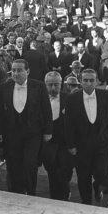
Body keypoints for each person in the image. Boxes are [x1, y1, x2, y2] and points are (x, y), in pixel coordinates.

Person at [0, 59, 52, 195]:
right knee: (13, 164)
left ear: (27, 71)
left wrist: (48, 131)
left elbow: (46, 110)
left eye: (19, 70)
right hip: (11, 134)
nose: (15, 73)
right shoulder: (4, 87)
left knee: (30, 164)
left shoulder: (39, 86)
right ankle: (15, 192)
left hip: (33, 133)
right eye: (13, 70)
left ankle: (31, 192)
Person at [65, 69, 108, 205]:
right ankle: (86, 201)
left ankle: (97, 187)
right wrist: (70, 145)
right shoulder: (72, 99)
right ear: (81, 81)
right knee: (83, 177)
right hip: (81, 146)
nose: (88, 83)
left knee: (101, 173)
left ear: (96, 81)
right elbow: (69, 124)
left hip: (101, 143)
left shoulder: (106, 95)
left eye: (91, 80)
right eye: (85, 80)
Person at [40, 71, 72, 200]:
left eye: (56, 85)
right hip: (47, 145)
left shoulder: (69, 99)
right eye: (50, 85)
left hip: (64, 143)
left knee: (64, 171)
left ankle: (64, 195)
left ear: (61, 84)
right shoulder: (39, 99)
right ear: (45, 84)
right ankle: (55, 198)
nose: (53, 88)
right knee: (52, 172)